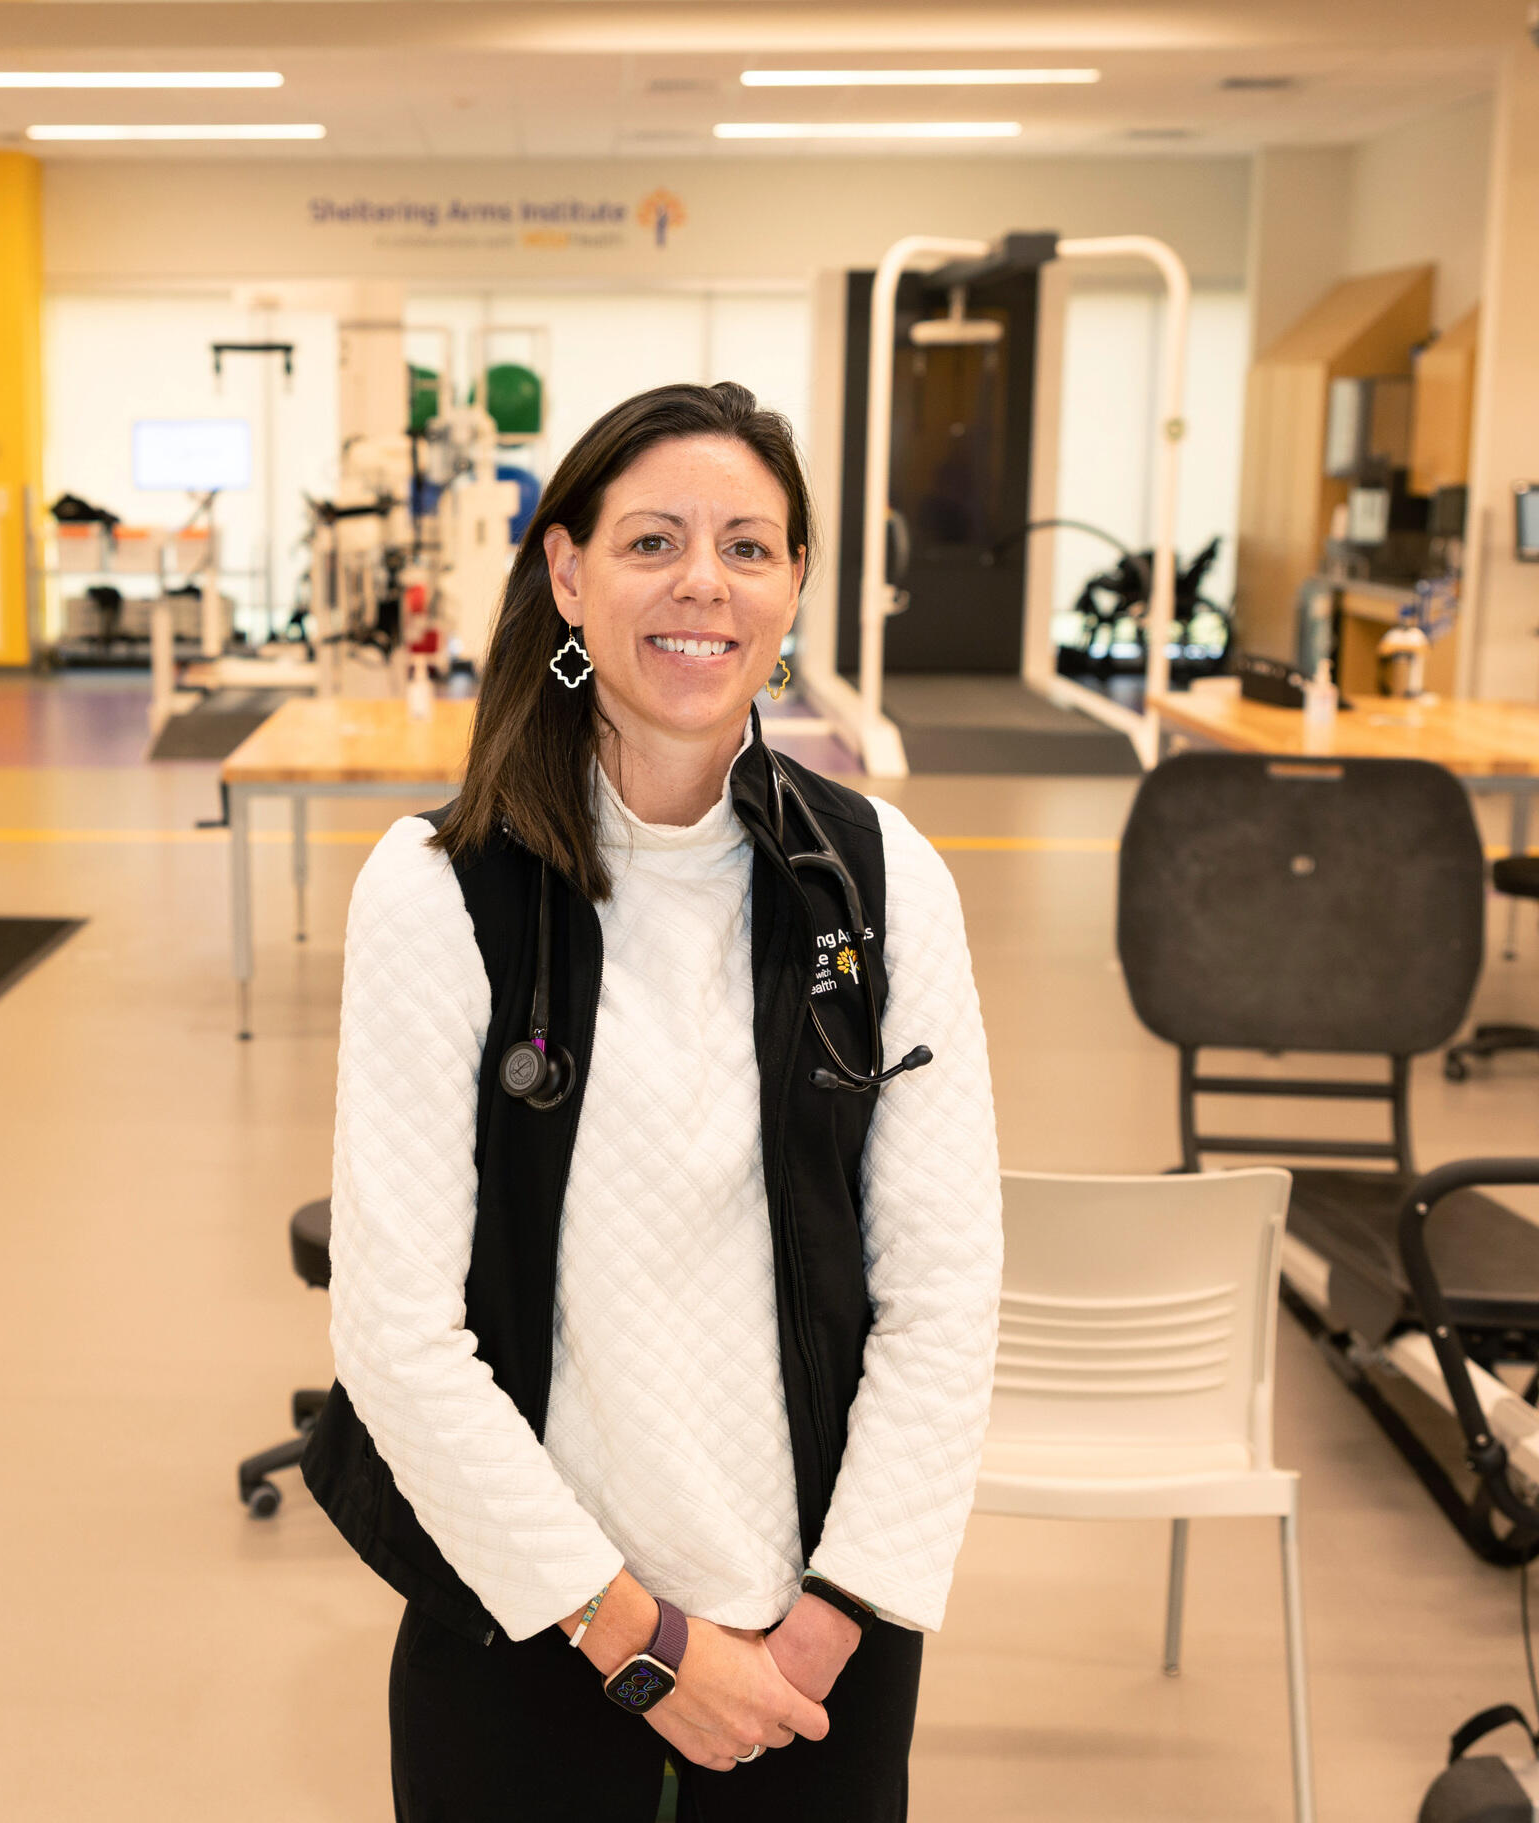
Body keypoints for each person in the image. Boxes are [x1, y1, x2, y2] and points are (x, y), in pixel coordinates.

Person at [300, 381, 1003, 1822]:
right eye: (653, 542)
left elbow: (945, 1288)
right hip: (530, 1615)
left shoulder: (880, 882)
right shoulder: (444, 893)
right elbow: (396, 1335)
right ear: (566, 573)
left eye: (750, 547)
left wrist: (831, 1618)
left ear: (797, 584)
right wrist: (636, 1639)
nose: (705, 583)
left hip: (822, 1643)